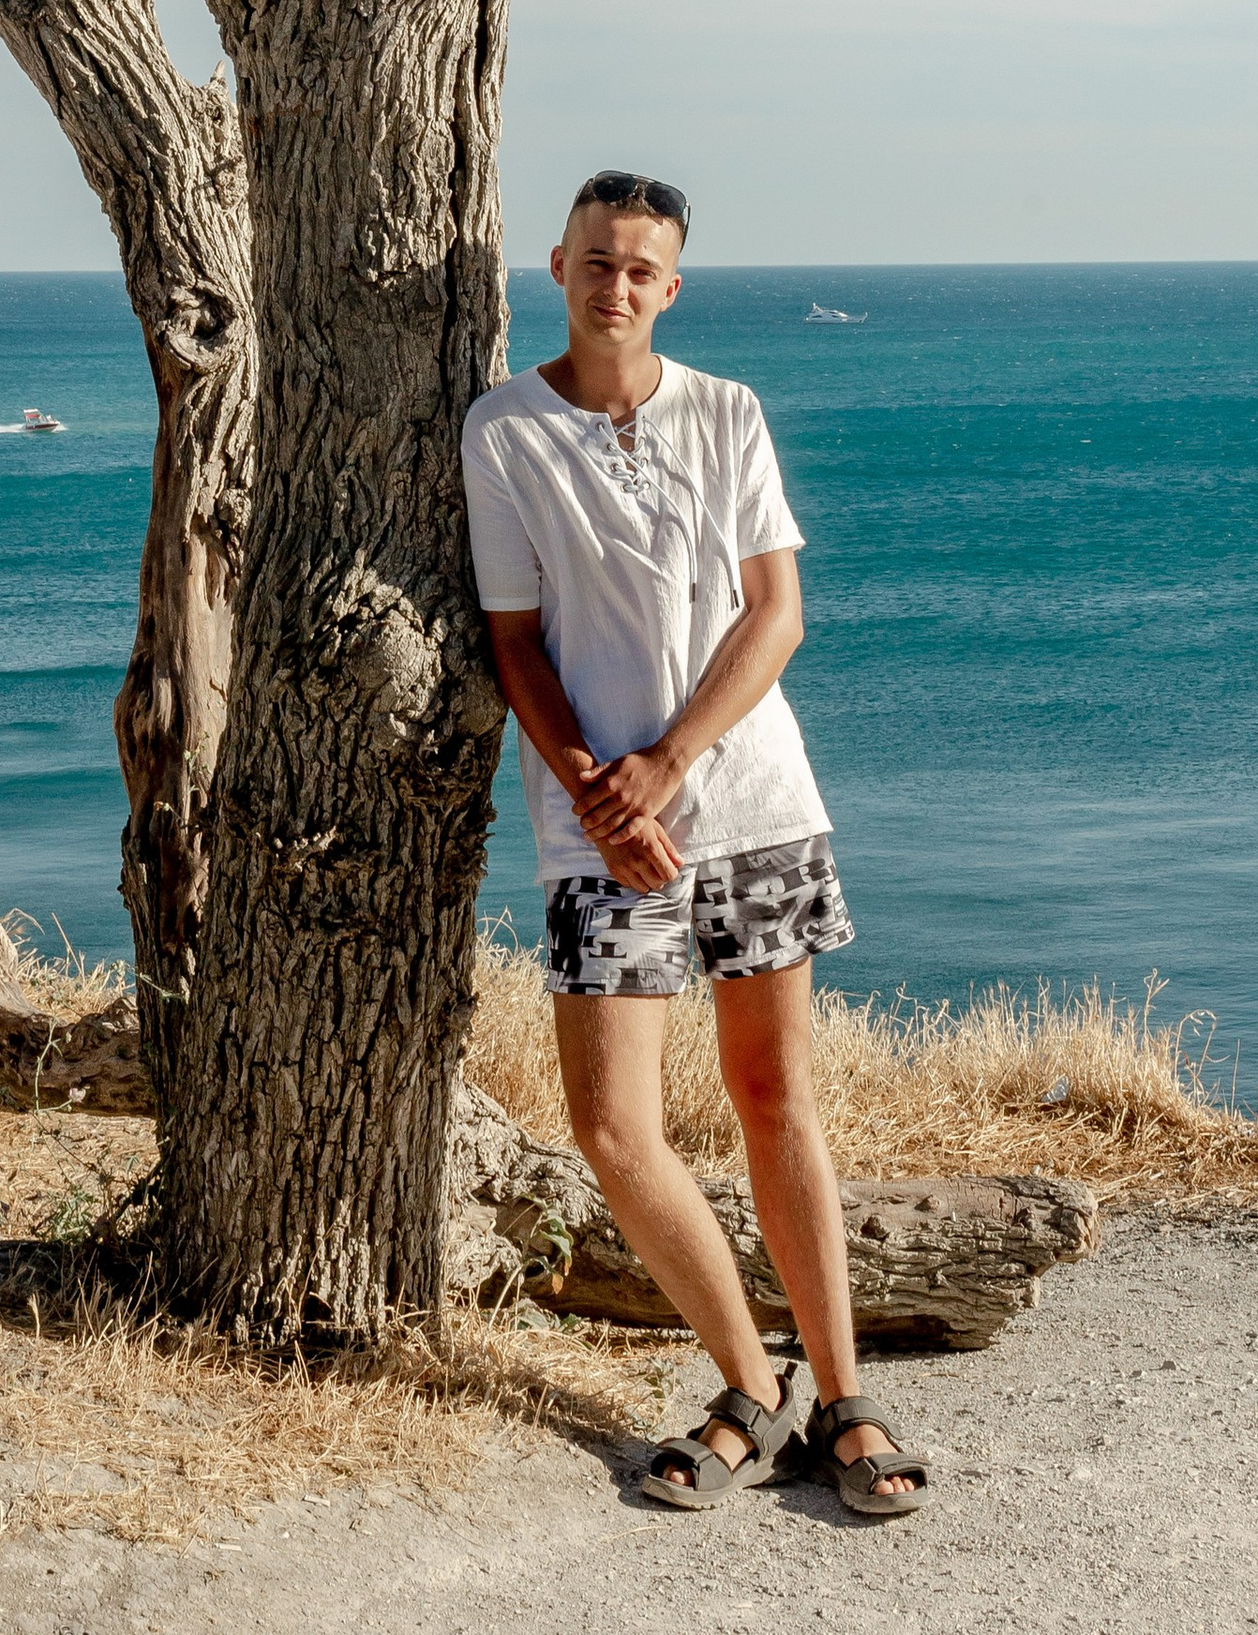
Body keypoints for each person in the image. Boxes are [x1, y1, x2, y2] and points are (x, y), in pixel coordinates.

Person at [460, 169, 927, 1521]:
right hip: (598, 823)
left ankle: (844, 1401)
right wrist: (607, 791)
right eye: (596, 261)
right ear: (555, 266)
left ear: (673, 286)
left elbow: (775, 614)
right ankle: (747, 1385)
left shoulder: (728, 413)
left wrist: (670, 767)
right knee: (613, 1127)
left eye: (641, 269)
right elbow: (514, 641)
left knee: (776, 1098)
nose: (616, 286)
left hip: (755, 805)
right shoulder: (502, 430)